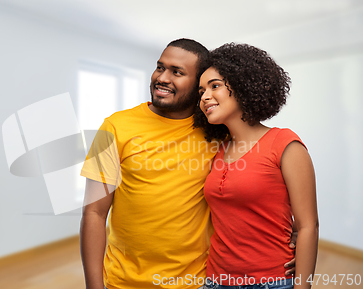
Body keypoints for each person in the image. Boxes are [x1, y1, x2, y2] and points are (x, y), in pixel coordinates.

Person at [80, 39, 296, 289]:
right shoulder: (114, 127)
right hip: (123, 281)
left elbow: (263, 182)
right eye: (160, 67)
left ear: (198, 86)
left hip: (197, 281)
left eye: (177, 72)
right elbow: (94, 212)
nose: (162, 77)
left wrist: (299, 229)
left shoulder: (218, 131)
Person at [195, 43, 318, 289]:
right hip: (215, 280)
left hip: (270, 282)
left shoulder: (284, 143)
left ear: (242, 86)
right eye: (200, 92)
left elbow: (307, 225)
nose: (205, 97)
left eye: (215, 86)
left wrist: (302, 284)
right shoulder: (218, 151)